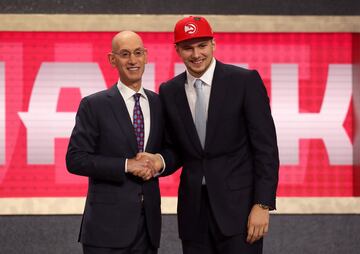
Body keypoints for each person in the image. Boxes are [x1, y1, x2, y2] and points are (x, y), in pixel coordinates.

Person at [139, 16, 279, 254]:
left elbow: (265, 149)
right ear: (177, 50)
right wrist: (159, 161)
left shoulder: (244, 81)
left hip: (240, 213)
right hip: (194, 215)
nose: (196, 54)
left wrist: (262, 204)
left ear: (213, 44)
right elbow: (176, 149)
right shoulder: (169, 91)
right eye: (188, 48)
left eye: (202, 45)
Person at [66, 31, 164, 254]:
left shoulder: (159, 103)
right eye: (125, 54)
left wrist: (160, 161)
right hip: (105, 230)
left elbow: (174, 151)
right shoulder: (94, 105)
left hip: (148, 228)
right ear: (112, 59)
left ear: (146, 56)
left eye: (138, 53)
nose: (133, 60)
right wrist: (127, 165)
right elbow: (75, 159)